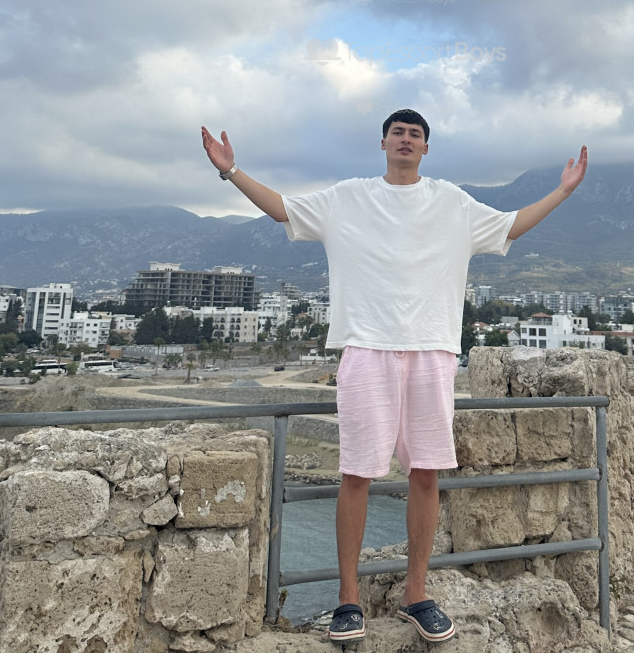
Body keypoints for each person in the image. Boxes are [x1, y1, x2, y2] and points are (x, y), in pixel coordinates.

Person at [202, 109, 588, 643]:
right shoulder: (347, 198)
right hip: (366, 350)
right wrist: (230, 171)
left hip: (432, 352)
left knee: (426, 474)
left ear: (426, 148)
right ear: (382, 142)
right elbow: (281, 209)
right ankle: (347, 599)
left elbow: (510, 225)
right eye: (398, 132)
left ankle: (416, 593)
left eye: (416, 134)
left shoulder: (452, 202)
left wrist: (563, 191)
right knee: (357, 474)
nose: (406, 139)